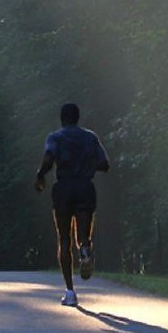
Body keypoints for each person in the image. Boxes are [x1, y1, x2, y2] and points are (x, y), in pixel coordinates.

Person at [34, 102, 110, 307]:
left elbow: (49, 159)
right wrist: (86, 164)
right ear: (77, 118)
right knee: (83, 236)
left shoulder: (55, 137)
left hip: (64, 189)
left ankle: (70, 292)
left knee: (64, 239)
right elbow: (105, 165)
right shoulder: (91, 137)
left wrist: (40, 175)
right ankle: (85, 250)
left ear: (62, 118)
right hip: (85, 187)